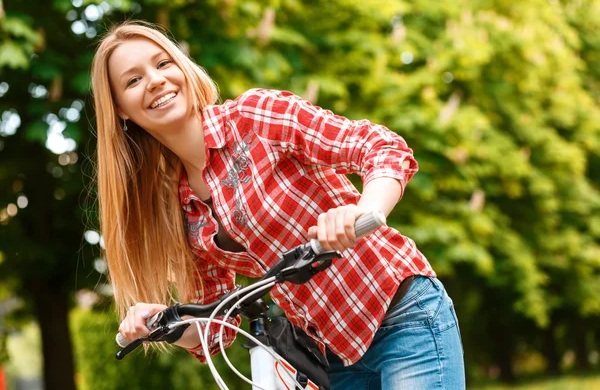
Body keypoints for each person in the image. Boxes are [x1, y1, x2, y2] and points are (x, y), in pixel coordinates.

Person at [91, 20, 466, 389]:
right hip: (334, 358)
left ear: (183, 68)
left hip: (402, 316)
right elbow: (217, 328)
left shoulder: (255, 118)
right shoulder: (180, 206)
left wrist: (363, 211)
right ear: (120, 108)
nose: (155, 80)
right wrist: (164, 323)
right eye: (133, 80)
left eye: (162, 63)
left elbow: (379, 146)